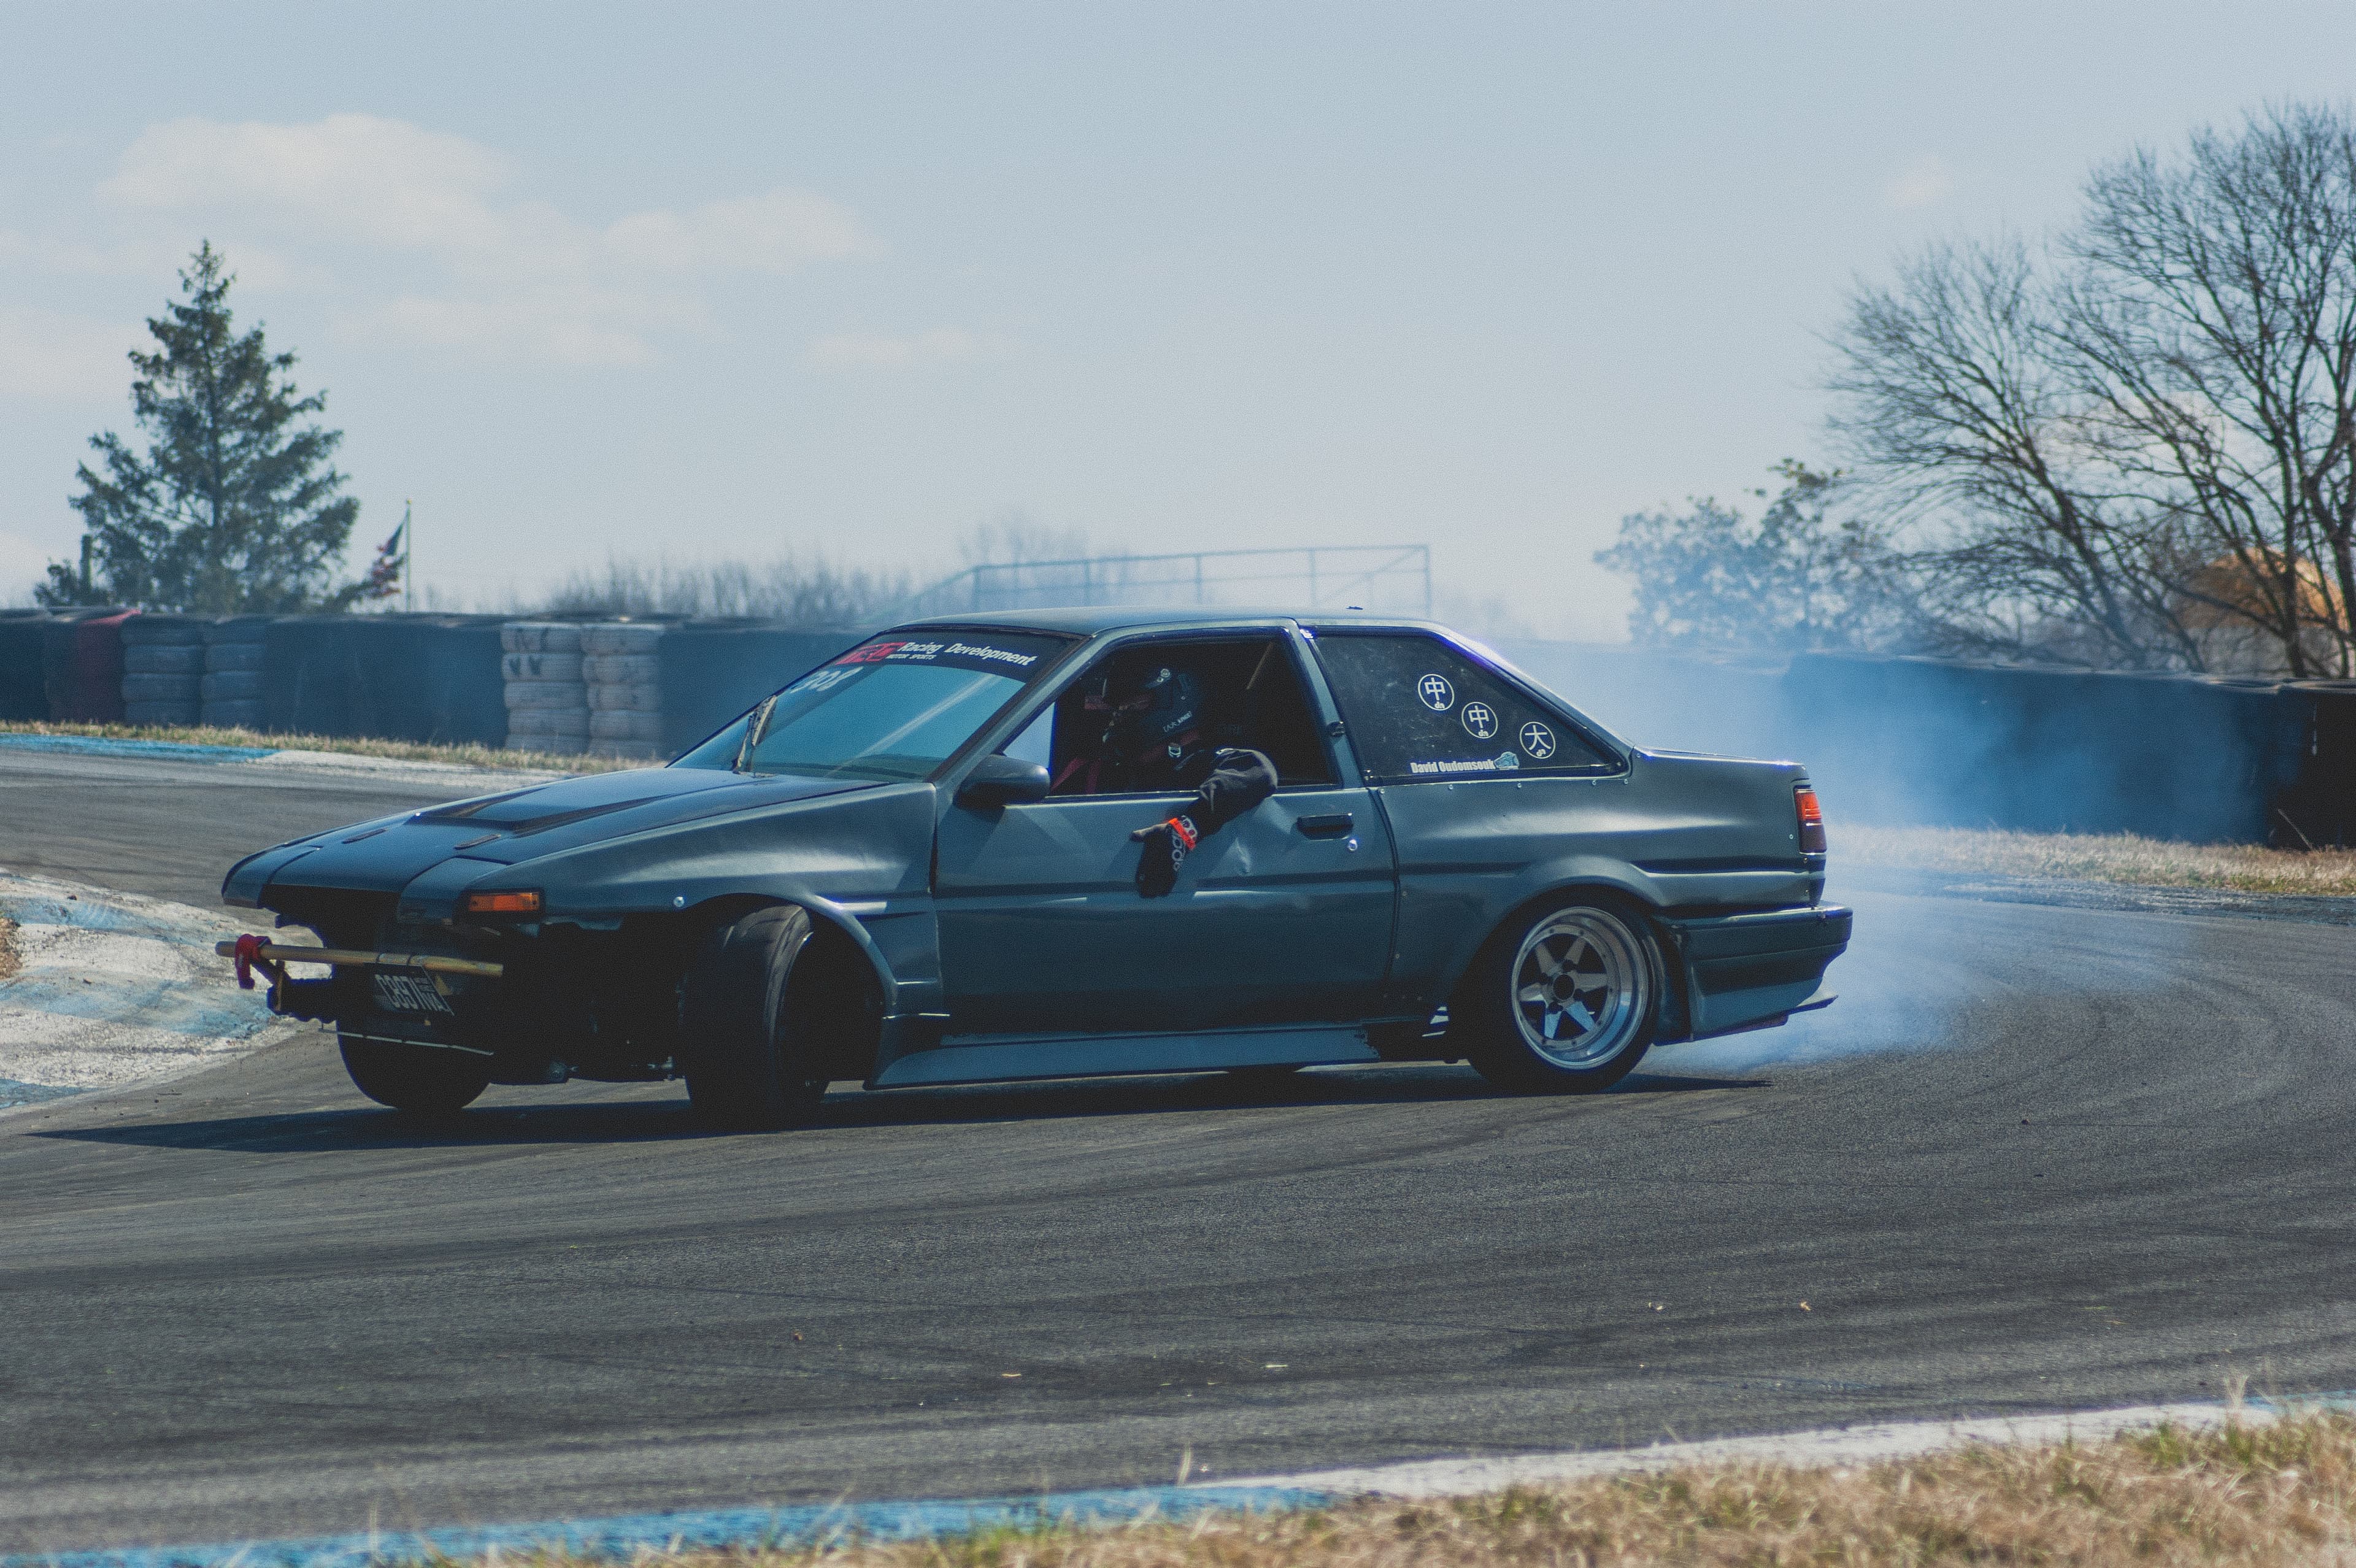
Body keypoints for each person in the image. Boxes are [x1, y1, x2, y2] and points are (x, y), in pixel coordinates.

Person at [1053, 663, 1276, 897]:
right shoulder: (1097, 769)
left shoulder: (1197, 763)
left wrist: (1184, 832)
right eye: (1119, 708)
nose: (1121, 715)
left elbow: (1257, 768)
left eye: (1135, 705)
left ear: (1174, 706)